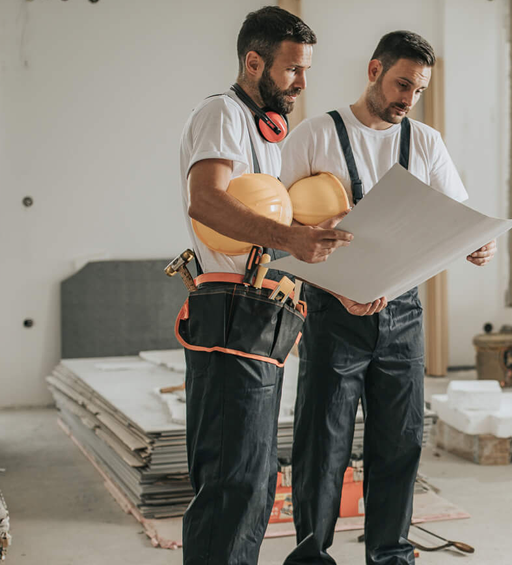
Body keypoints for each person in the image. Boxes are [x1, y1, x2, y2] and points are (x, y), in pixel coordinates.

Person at [280, 30, 497, 565]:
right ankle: (312, 555)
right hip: (333, 312)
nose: (408, 98)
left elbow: (456, 219)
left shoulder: (425, 142)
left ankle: (391, 554)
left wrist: (478, 242)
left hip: (402, 315)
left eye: (418, 90)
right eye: (402, 84)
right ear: (374, 70)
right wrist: (341, 286)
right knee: (322, 445)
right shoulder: (314, 135)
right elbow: (281, 231)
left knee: (400, 442)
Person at [176, 7, 352, 565]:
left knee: (253, 479)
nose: (302, 83)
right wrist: (291, 238)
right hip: (230, 308)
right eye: (292, 70)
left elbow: (272, 230)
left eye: (305, 71)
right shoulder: (221, 113)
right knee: (232, 481)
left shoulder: (266, 136)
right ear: (254, 62)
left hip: (261, 313)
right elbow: (206, 201)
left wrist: (328, 267)